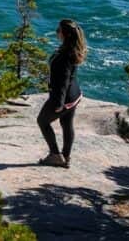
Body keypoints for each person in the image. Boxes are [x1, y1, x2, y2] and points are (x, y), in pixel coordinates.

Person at [37, 18, 87, 168]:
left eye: (58, 30)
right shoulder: (72, 49)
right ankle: (66, 156)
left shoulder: (64, 55)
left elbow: (63, 81)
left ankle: (55, 155)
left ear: (64, 34)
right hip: (75, 95)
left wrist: (59, 103)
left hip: (63, 97)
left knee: (42, 121)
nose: (56, 32)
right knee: (66, 123)